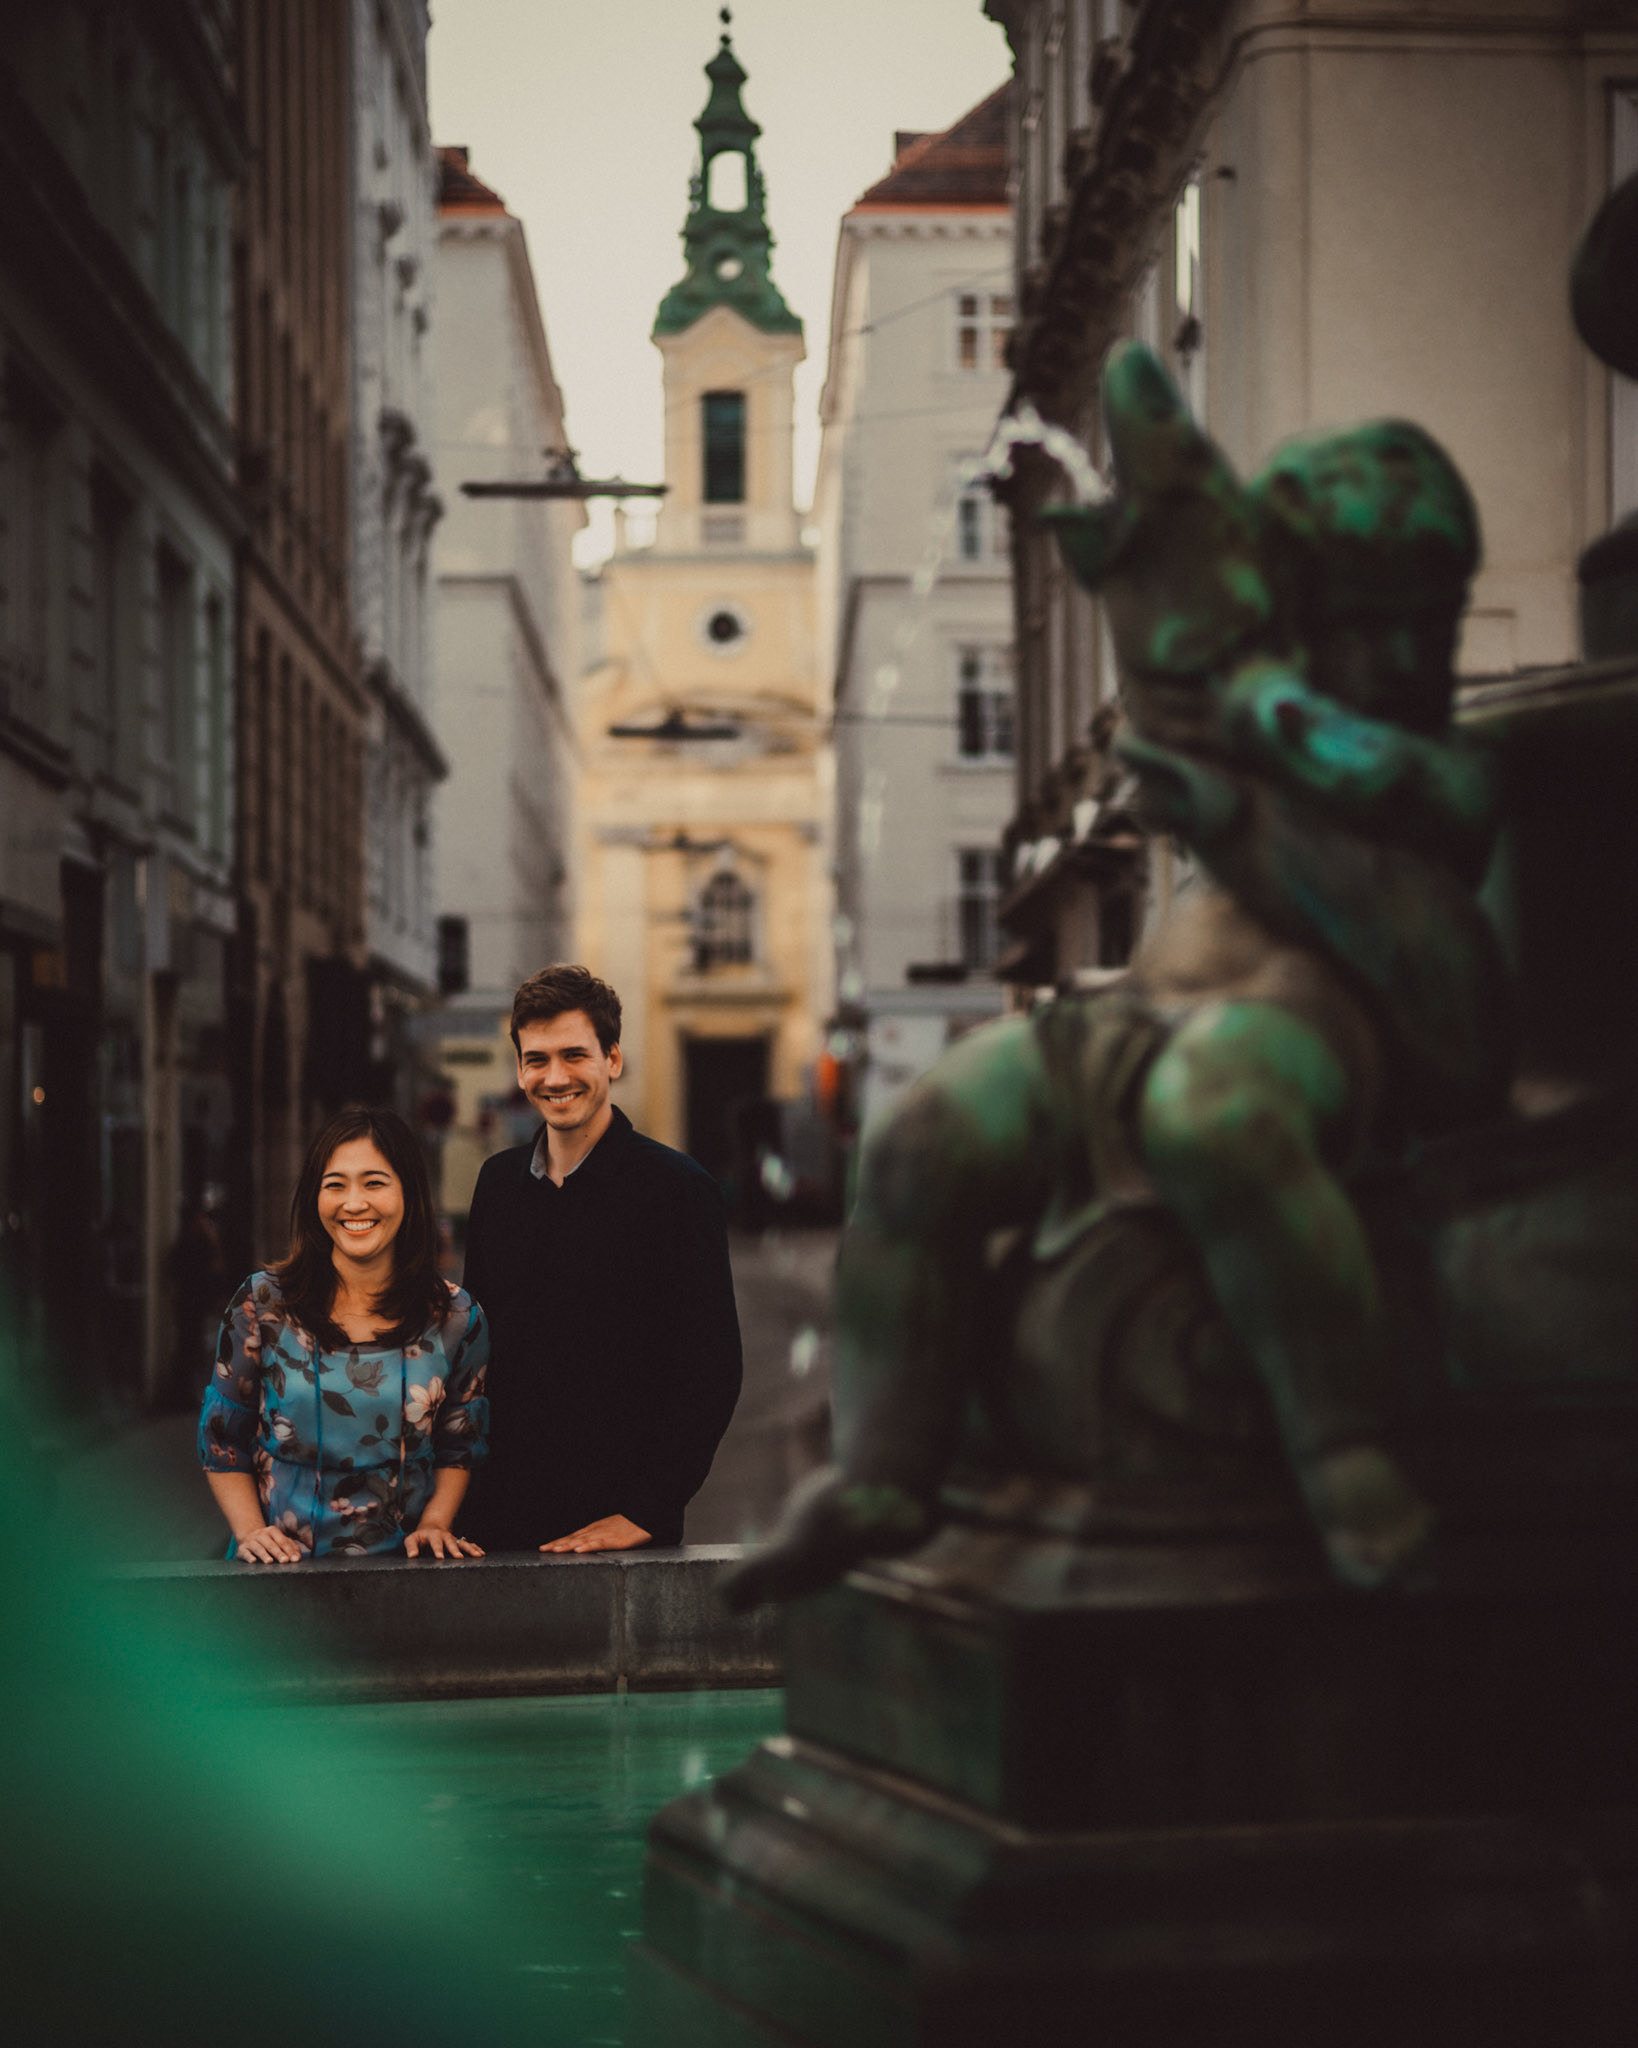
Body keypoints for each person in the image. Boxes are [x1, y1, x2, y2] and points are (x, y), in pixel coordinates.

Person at [460, 964, 742, 1555]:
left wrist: (647, 1510)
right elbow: (478, 1353)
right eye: (537, 1059)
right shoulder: (498, 1184)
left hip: (620, 1527)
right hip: (500, 1520)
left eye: (574, 1055)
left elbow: (712, 1368)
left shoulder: (677, 1189)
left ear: (612, 1059)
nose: (555, 1077)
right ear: (519, 1069)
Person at [198, 1105, 489, 1563]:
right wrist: (252, 1531)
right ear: (314, 1198)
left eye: (375, 1183)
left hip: (407, 1577)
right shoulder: (262, 1304)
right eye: (335, 1185)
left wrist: (436, 1522)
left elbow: (460, 1444)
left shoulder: (455, 1316)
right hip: (277, 1578)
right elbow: (222, 1438)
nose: (354, 1203)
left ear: (409, 1194)